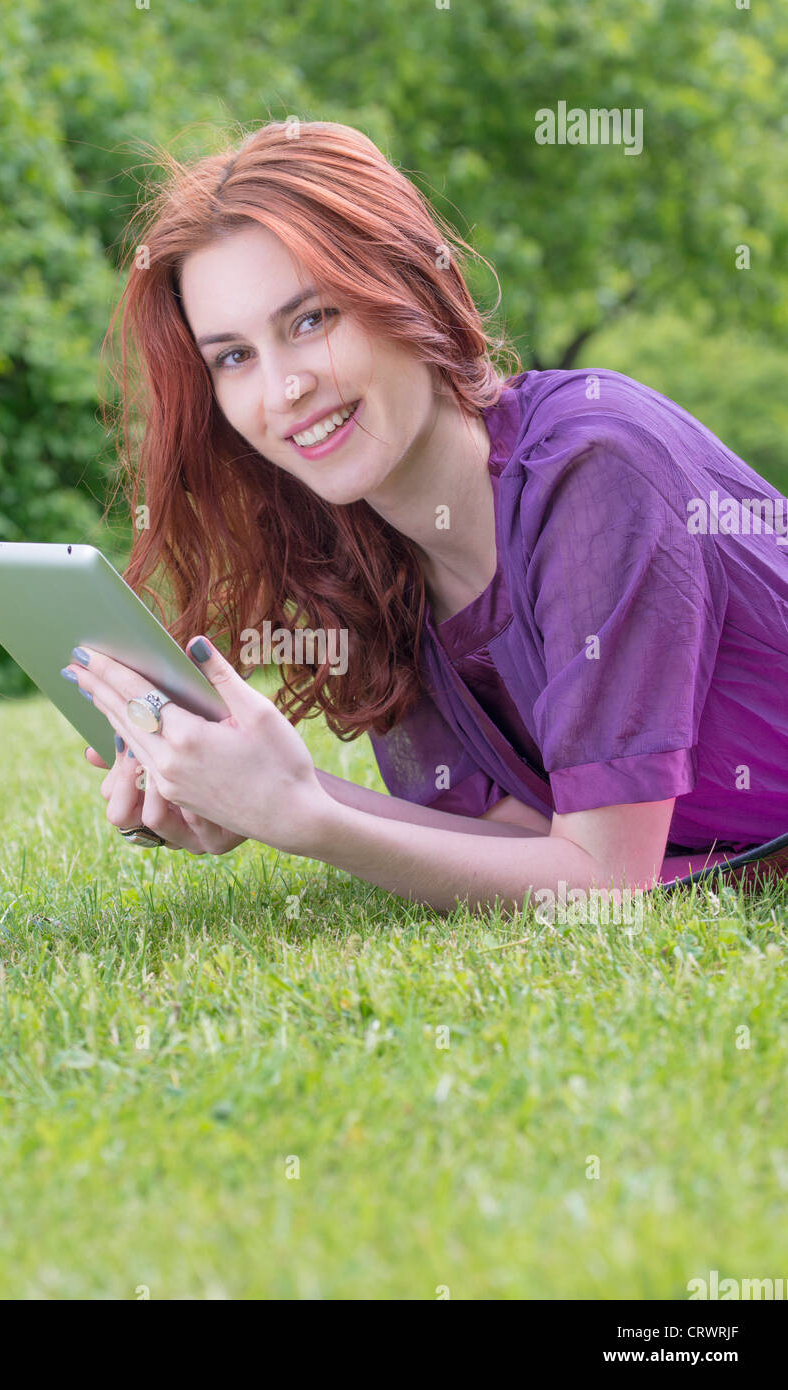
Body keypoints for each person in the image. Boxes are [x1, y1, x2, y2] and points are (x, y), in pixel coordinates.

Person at [63, 120, 788, 915]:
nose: (281, 390)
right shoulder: (367, 546)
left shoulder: (592, 467)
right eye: (233, 356)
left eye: (311, 320)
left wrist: (303, 820)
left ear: (407, 284)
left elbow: (605, 882)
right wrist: (258, 796)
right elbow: (523, 835)